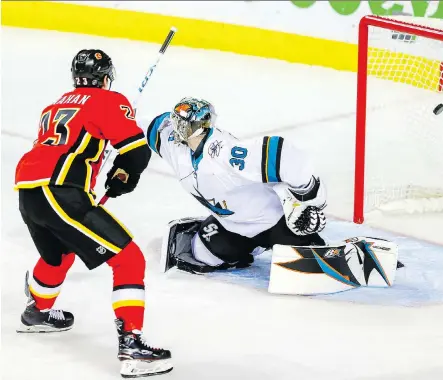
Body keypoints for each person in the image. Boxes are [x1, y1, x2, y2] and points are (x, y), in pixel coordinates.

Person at [15, 49, 172, 377]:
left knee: (59, 255)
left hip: (28, 189)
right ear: (106, 76)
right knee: (128, 259)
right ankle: (132, 347)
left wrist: (118, 173)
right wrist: (124, 174)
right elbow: (136, 152)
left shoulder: (55, 106)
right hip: (61, 190)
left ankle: (38, 313)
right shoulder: (109, 100)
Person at [141, 97, 327, 274]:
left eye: (184, 124)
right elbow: (146, 125)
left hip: (271, 222)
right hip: (230, 224)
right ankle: (247, 248)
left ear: (200, 126)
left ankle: (293, 241)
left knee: (308, 265)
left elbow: (282, 154)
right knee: (201, 255)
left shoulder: (225, 152)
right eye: (177, 122)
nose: (177, 128)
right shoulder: (175, 146)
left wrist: (308, 202)